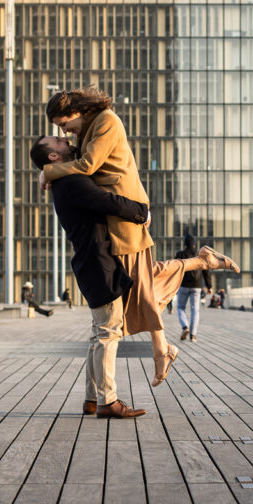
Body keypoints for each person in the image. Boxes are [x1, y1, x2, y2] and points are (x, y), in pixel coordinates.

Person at [37, 88, 239, 385]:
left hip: (124, 210)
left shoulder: (106, 121)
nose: (62, 130)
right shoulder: (86, 130)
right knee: (142, 279)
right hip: (115, 215)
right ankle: (197, 269)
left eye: (63, 123)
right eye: (59, 129)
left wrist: (49, 171)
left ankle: (164, 346)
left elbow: (88, 167)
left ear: (76, 111)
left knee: (139, 282)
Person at [32, 136, 156, 418]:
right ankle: (107, 401)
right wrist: (141, 211)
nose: (64, 138)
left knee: (98, 334)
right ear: (53, 157)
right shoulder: (71, 183)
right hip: (99, 265)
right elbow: (107, 201)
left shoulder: (63, 181)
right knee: (107, 334)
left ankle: (92, 399)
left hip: (91, 264)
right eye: (58, 141)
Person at [174, 234, 210, 342]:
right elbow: (206, 271)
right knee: (195, 310)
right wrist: (209, 286)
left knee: (180, 307)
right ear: (194, 244)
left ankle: (185, 326)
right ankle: (193, 335)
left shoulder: (180, 254)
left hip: (184, 285)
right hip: (197, 286)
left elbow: (174, 268)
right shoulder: (200, 256)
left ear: (185, 243)